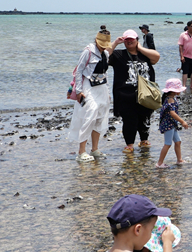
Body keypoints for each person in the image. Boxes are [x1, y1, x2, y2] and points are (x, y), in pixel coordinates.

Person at [108, 30, 161, 154]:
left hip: (146, 94)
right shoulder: (118, 55)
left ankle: (144, 140)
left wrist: (140, 48)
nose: (129, 41)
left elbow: (156, 56)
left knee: (145, 118)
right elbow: (105, 55)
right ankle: (130, 144)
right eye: (126, 40)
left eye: (132, 39)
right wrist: (115, 42)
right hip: (125, 95)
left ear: (137, 39)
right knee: (129, 120)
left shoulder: (145, 55)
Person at [67, 26, 113, 161]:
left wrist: (108, 91)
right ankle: (81, 151)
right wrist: (79, 91)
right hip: (89, 86)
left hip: (102, 87)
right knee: (90, 114)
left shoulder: (105, 54)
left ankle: (95, 149)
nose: (103, 47)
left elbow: (105, 74)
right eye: (102, 44)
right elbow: (79, 71)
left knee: (100, 116)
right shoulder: (88, 52)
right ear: (96, 41)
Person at [156, 79, 189, 169]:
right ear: (174, 91)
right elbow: (172, 113)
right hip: (168, 124)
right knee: (168, 143)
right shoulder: (170, 100)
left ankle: (179, 160)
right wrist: (182, 121)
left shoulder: (172, 98)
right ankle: (159, 163)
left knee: (178, 141)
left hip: (172, 124)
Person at [176, 22, 192, 91]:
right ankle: (183, 85)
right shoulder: (183, 35)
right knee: (185, 71)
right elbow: (180, 46)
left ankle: (191, 85)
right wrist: (181, 56)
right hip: (186, 56)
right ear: (188, 27)